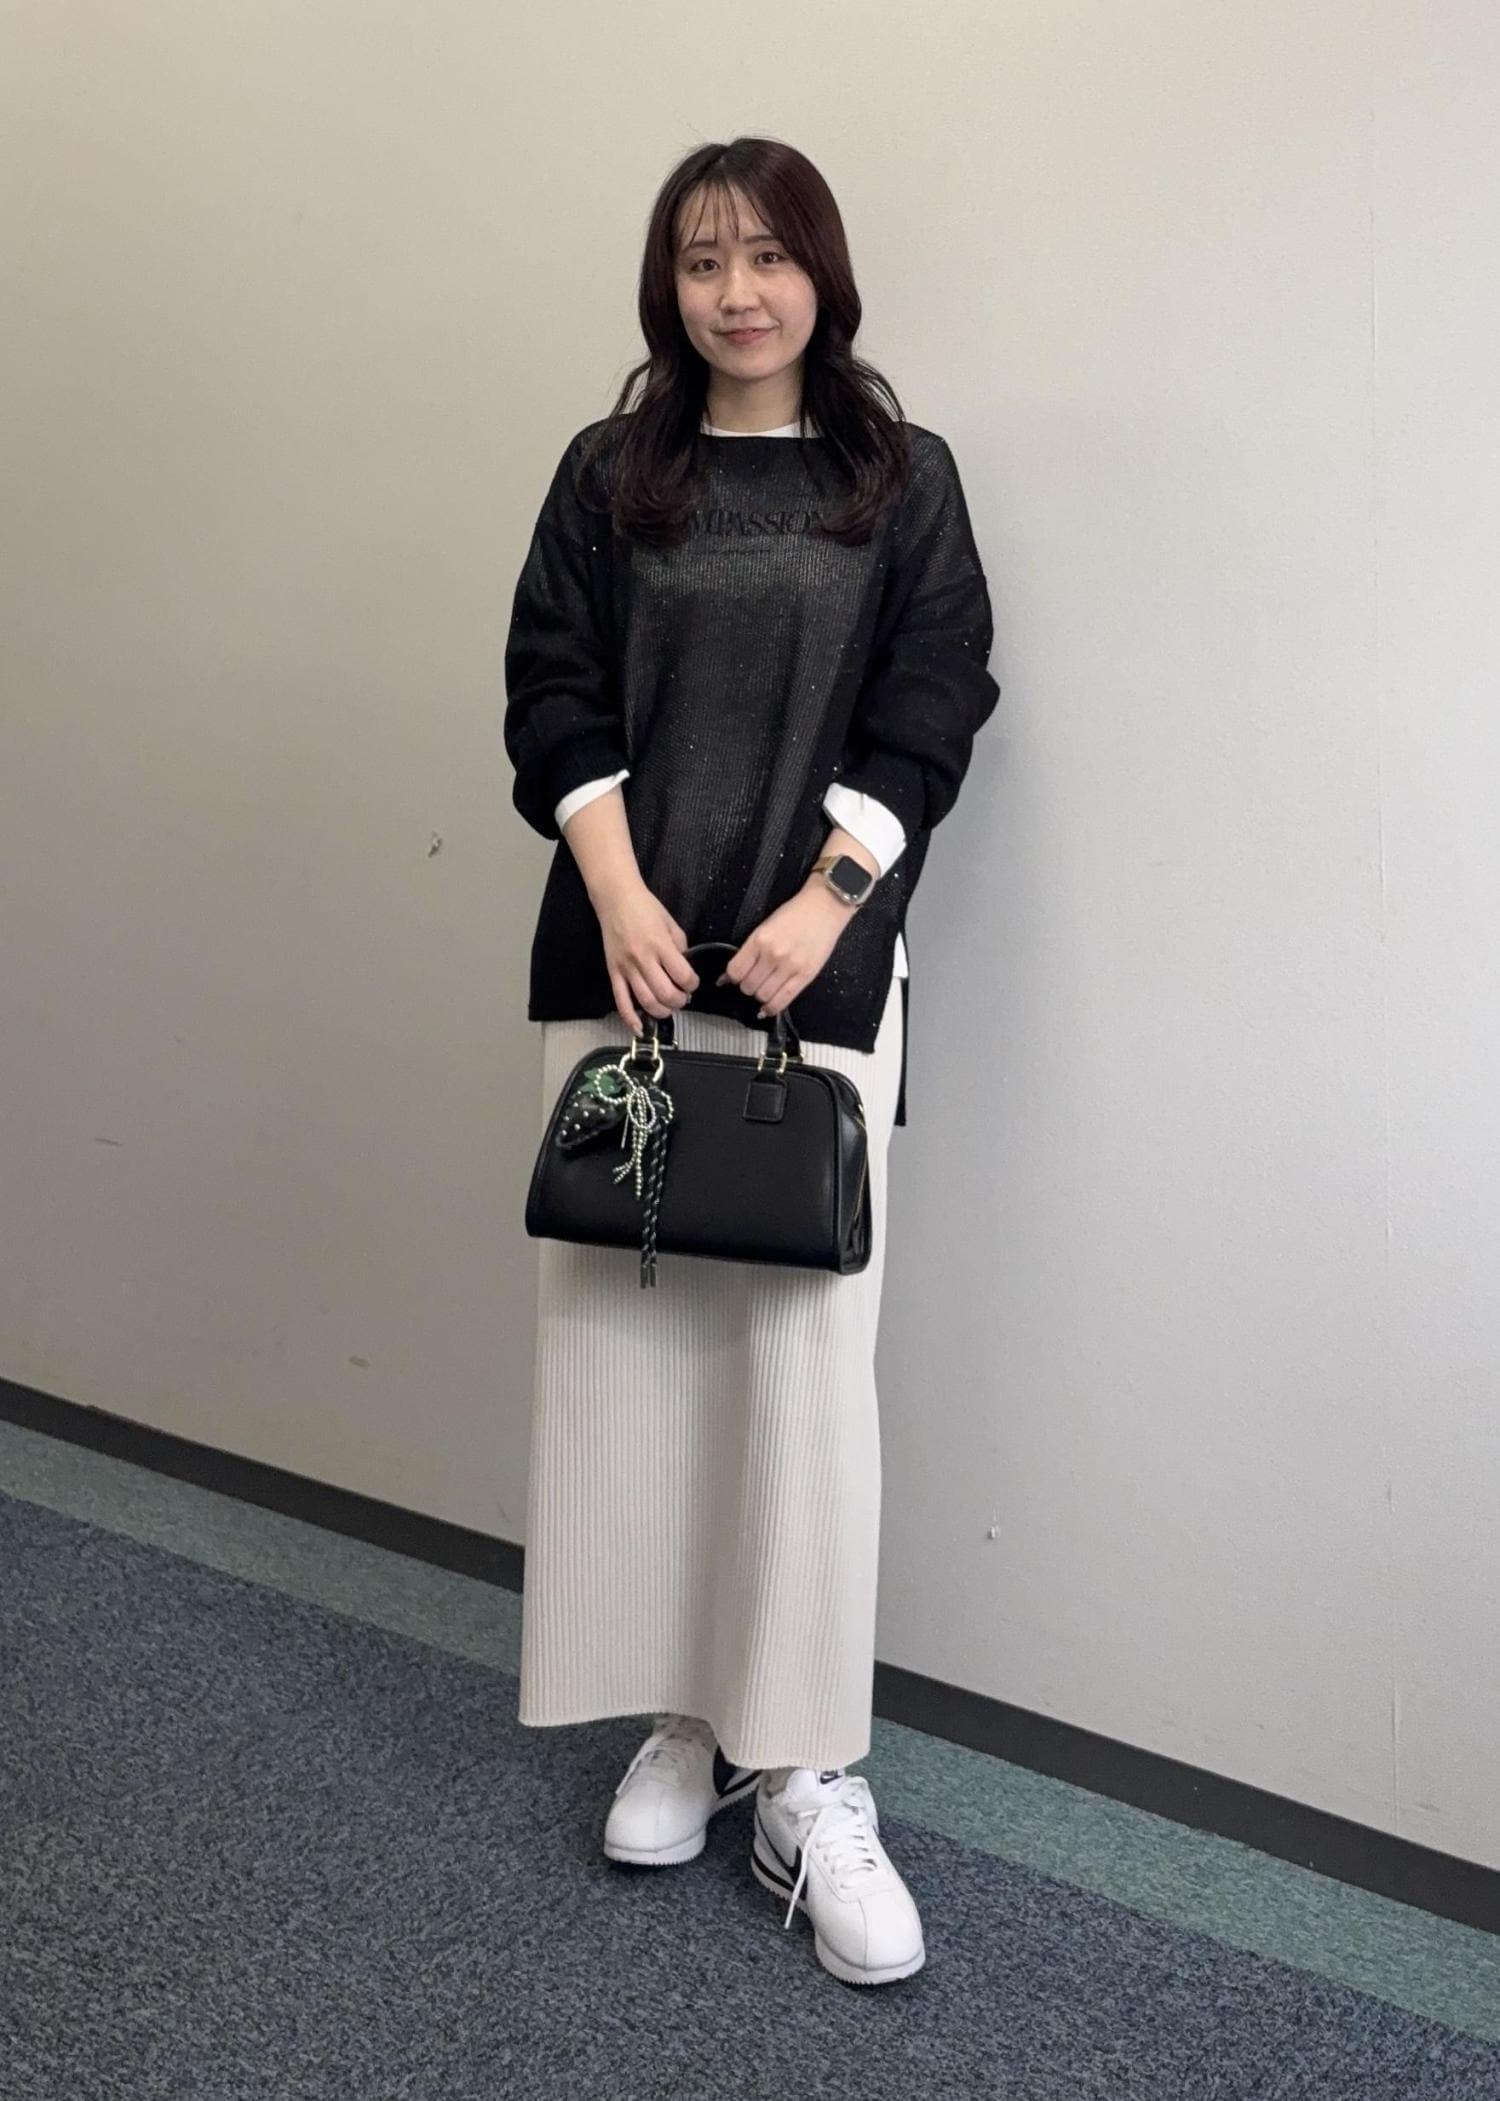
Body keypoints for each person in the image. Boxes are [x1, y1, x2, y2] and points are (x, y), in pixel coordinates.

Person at [502, 136, 1000, 1989]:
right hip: (625, 971)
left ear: (822, 274)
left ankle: (806, 1764)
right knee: (633, 1363)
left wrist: (827, 901)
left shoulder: (900, 480)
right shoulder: (608, 472)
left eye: (770, 255)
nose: (738, 291)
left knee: (800, 1376)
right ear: (670, 283)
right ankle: (687, 1722)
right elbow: (550, 690)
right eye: (704, 258)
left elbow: (935, 700)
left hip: (820, 986)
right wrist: (625, 893)